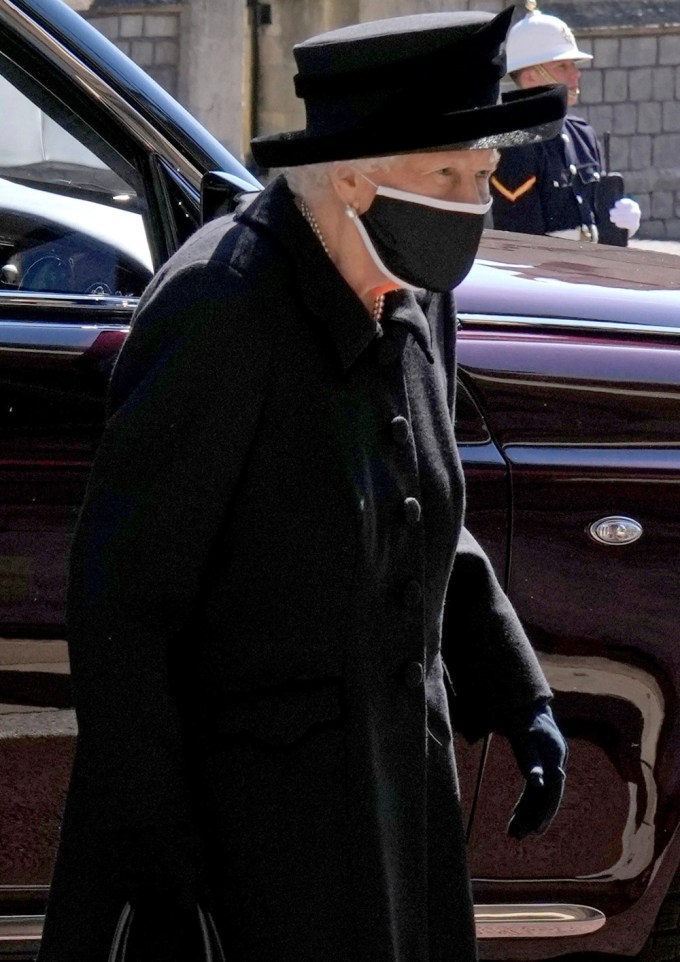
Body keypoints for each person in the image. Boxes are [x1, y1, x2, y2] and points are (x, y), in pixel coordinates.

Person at [37, 9, 568, 962]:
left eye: (481, 174)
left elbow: (429, 515)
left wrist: (516, 690)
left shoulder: (414, 292)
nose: (474, 201)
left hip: (395, 794)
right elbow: (124, 608)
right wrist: (157, 854)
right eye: (445, 174)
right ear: (354, 177)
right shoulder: (223, 309)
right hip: (252, 833)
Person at [491, 0, 641, 244]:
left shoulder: (582, 133)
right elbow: (520, 237)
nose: (576, 74)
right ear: (530, 76)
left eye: (574, 65)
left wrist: (619, 222)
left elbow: (591, 212)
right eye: (562, 66)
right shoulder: (513, 142)